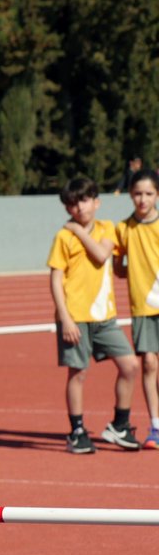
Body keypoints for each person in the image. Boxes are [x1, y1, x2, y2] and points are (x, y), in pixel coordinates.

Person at [47, 177, 139, 454]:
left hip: (105, 318)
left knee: (130, 365)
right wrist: (65, 318)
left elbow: (101, 255)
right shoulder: (62, 238)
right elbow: (55, 278)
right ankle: (77, 431)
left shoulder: (106, 228)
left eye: (84, 201)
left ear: (96, 202)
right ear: (67, 208)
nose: (79, 208)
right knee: (78, 374)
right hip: (75, 317)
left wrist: (77, 230)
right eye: (73, 204)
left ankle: (119, 425)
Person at [113, 168, 159, 449]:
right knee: (150, 363)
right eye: (137, 194)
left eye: (149, 194)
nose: (142, 200)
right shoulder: (124, 229)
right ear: (130, 195)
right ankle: (155, 426)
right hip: (143, 306)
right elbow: (119, 267)